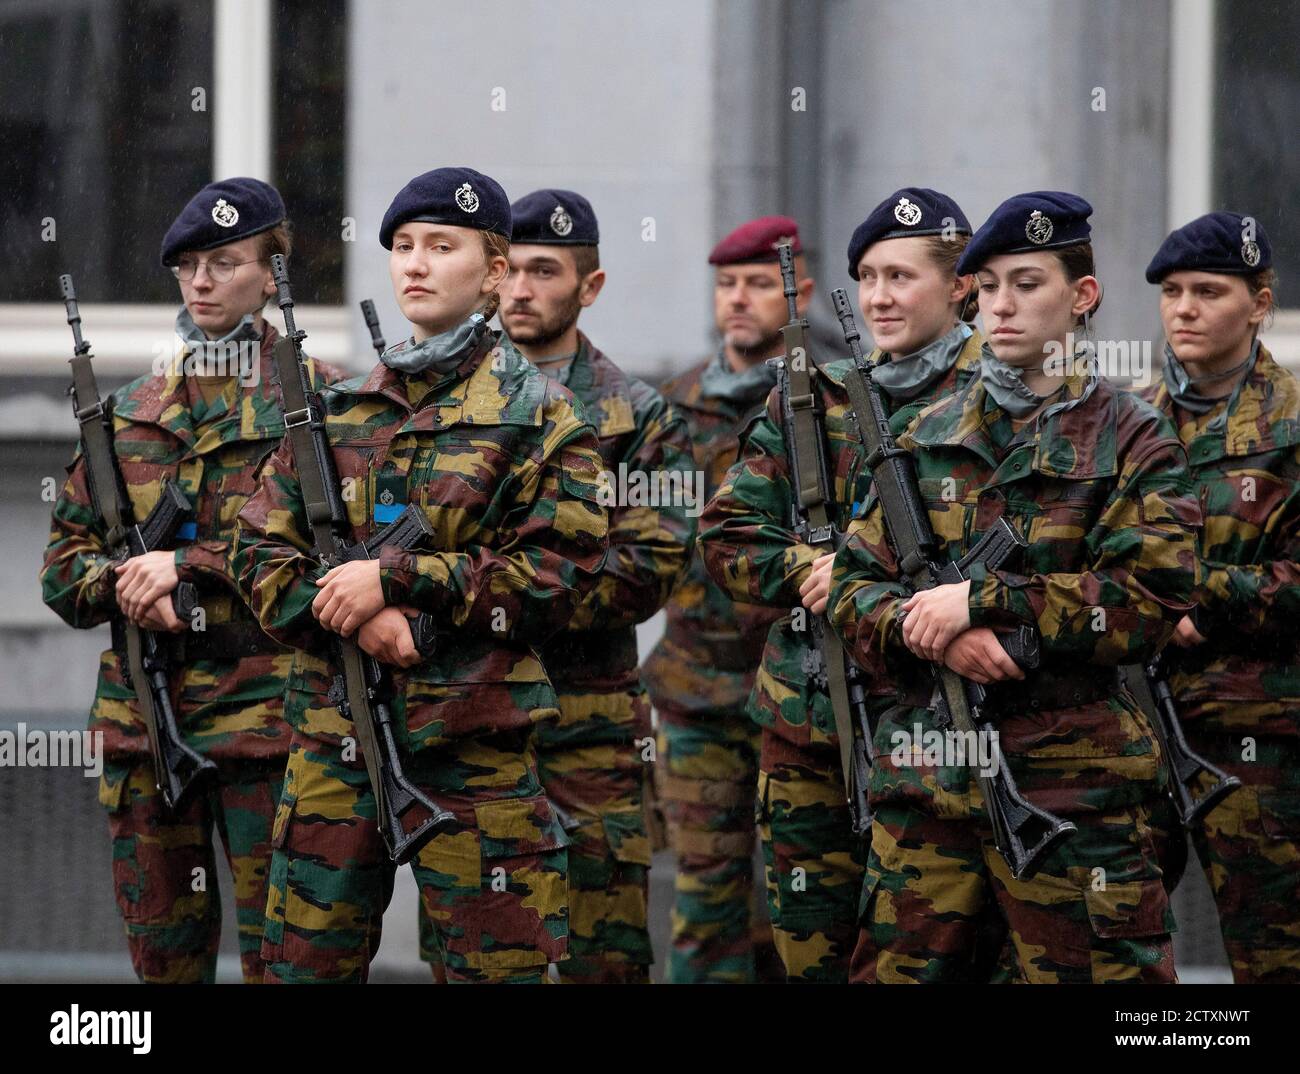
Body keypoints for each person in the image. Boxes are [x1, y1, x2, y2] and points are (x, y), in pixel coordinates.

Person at [231, 167, 610, 984]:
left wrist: (402, 581)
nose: (416, 264)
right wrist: (358, 613)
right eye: (403, 247)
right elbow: (256, 554)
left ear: (497, 270)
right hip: (335, 746)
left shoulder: (542, 417)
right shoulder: (336, 413)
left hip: (475, 751)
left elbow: (558, 577)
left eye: (442, 246)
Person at [829, 191, 1202, 983]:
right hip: (928, 788)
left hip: (1074, 793)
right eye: (988, 285)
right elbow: (854, 588)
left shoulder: (1133, 435)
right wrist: (927, 627)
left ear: (1083, 296)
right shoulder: (924, 436)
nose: (1001, 305)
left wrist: (985, 602)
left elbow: (1148, 599)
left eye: (1027, 284)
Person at [40, 177, 343, 983]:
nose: (202, 282)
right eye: (188, 267)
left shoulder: (324, 403)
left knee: (288, 960)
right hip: (148, 719)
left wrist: (191, 565)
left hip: (275, 725)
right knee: (163, 966)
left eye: (224, 263)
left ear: (272, 272)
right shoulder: (130, 414)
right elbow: (64, 576)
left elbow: (340, 563)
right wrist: (124, 584)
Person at [699, 188, 983, 981]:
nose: (881, 297)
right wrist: (805, 569)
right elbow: (726, 533)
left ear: (961, 284)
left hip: (935, 729)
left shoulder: (997, 399)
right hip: (806, 728)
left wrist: (864, 578)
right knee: (808, 956)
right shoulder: (814, 399)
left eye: (902, 276)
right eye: (867, 277)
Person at [413, 187, 694, 983]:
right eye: (514, 271)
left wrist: (497, 586)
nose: (523, 291)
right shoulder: (445, 401)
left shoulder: (638, 418)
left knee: (602, 954)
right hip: (471, 721)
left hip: (586, 733)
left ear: (589, 287)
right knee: (474, 956)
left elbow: (647, 569)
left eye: (547, 271)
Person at [1141, 211, 1299, 983]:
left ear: (1259, 302)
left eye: (1208, 290)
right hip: (1135, 728)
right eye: (1172, 292)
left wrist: (1204, 607)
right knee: (1114, 945)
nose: (1185, 309)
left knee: (1273, 952)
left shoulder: (1292, 423)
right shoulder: (1129, 420)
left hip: (1257, 735)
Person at [641, 216, 797, 983]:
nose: (740, 300)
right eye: (728, 284)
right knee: (706, 899)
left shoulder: (824, 402)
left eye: (760, 284)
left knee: (811, 905)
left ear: (791, 293)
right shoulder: (672, 406)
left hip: (804, 696)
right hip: (697, 692)